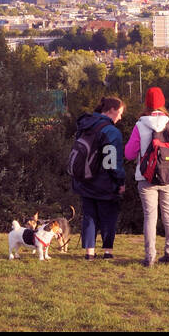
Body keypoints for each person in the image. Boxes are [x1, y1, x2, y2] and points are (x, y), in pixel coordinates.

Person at [124, 87, 169, 267]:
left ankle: (150, 256)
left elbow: (129, 154)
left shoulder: (140, 125)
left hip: (146, 178)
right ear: (163, 103)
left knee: (150, 217)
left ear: (147, 103)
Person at [72, 96, 126, 259]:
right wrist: (120, 181)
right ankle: (107, 251)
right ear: (111, 110)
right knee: (108, 215)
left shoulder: (85, 125)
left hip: (84, 179)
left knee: (89, 216)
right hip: (104, 182)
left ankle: (89, 252)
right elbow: (111, 161)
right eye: (120, 113)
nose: (120, 117)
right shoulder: (111, 131)